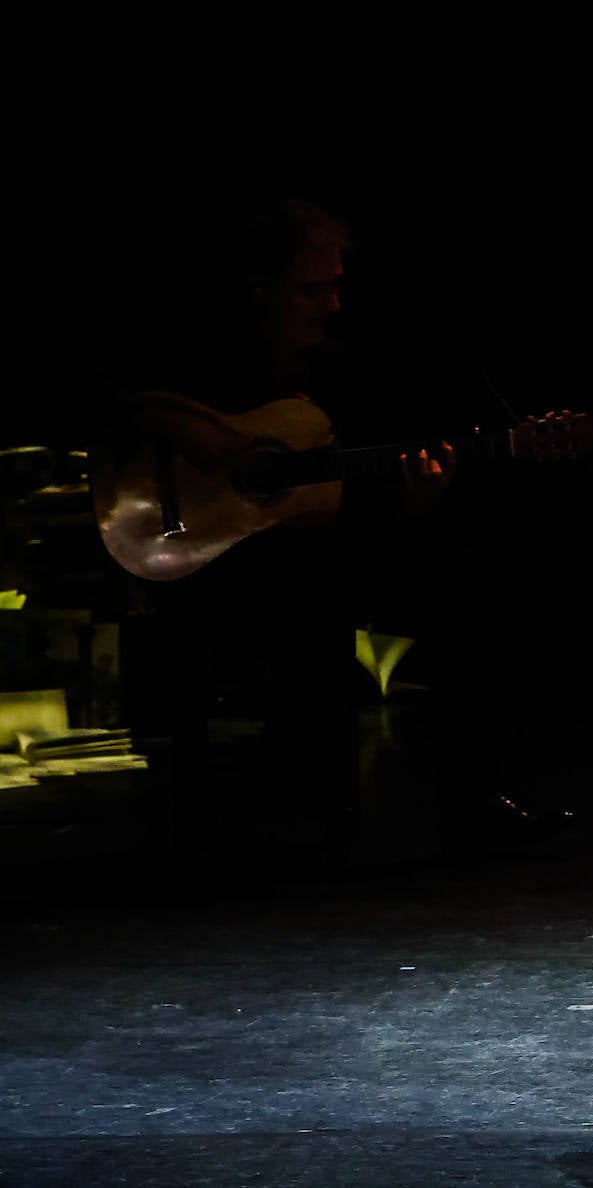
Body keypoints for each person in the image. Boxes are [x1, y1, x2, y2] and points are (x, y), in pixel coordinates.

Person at [88, 197, 454, 866]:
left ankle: (459, 808)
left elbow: (351, 498)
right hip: (197, 562)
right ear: (260, 288)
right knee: (315, 591)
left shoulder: (340, 370)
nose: (333, 304)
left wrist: (416, 498)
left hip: (303, 554)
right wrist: (218, 443)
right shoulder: (193, 350)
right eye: (314, 289)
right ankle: (296, 811)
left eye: (338, 285)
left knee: (441, 573)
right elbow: (110, 404)